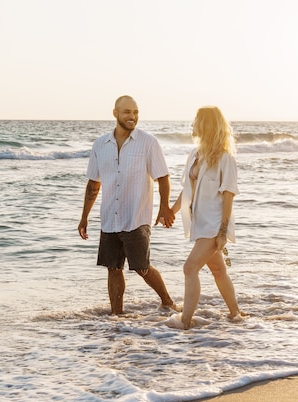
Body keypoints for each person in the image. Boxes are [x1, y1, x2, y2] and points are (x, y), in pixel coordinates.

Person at [78, 95, 180, 315]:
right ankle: (116, 315)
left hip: (136, 217)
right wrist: (84, 216)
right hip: (109, 219)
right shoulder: (100, 145)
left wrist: (165, 207)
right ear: (115, 114)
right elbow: (93, 184)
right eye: (127, 112)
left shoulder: (148, 142)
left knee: (141, 267)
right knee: (113, 269)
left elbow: (163, 177)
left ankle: (168, 301)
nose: (132, 117)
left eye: (135, 112)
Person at [171, 106, 244, 329]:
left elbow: (229, 195)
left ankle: (185, 321)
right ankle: (236, 314)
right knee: (219, 271)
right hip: (199, 223)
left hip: (214, 225)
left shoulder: (225, 158)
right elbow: (187, 189)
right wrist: (169, 212)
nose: (193, 125)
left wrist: (223, 231)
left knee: (190, 268)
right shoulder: (195, 155)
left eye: (197, 121)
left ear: (207, 125)